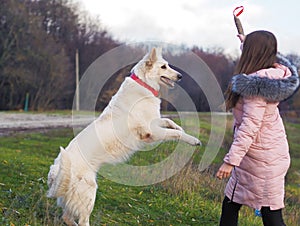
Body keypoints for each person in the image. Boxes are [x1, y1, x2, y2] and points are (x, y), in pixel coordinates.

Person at [216, 30, 299, 226]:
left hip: (264, 161)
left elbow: (249, 128)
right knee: (230, 202)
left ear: (251, 53)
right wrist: (248, 42)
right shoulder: (272, 73)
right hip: (257, 156)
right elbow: (264, 53)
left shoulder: (256, 87)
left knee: (271, 215)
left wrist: (230, 161)